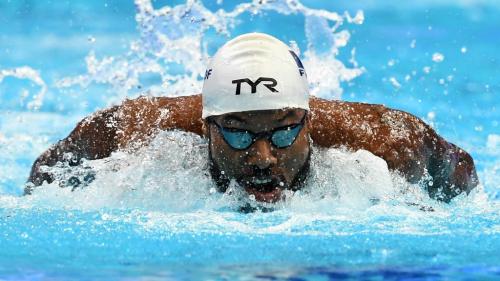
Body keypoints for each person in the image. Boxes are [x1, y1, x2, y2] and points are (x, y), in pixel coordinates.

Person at [26, 33, 478, 203]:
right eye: (239, 136)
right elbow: (47, 174)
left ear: (308, 121)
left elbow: (462, 172)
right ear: (206, 128)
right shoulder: (135, 128)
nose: (262, 158)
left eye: (283, 134)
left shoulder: (385, 141)